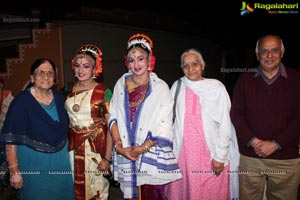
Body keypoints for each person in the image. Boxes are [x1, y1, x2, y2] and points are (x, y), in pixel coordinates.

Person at [108, 33, 182, 199]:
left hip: (151, 154)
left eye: (141, 58)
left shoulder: (160, 87)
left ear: (149, 60)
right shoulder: (120, 84)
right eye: (132, 59)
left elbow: (164, 123)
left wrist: (142, 148)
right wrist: (119, 146)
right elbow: (112, 115)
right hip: (125, 150)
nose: (136, 64)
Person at [230, 35, 300, 200]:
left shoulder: (297, 79)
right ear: (257, 55)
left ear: (282, 53)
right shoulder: (245, 79)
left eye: (274, 50)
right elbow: (236, 114)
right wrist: (254, 142)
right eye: (264, 51)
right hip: (250, 156)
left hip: (285, 157)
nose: (269, 56)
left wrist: (276, 144)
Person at [165, 48, 239, 200]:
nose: (190, 69)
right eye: (186, 65)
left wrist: (220, 156)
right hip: (183, 157)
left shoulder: (216, 88)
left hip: (210, 156)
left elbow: (225, 124)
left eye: (195, 64)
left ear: (202, 66)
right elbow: (168, 119)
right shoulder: (177, 86)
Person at [0, 58, 74, 200]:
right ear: (32, 77)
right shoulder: (21, 102)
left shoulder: (59, 99)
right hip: (33, 165)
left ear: (55, 78)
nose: (46, 77)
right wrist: (14, 170)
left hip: (60, 162)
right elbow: (11, 139)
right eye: (41, 72)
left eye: (50, 73)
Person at [63, 44, 113, 200]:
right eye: (77, 65)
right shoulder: (67, 89)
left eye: (86, 66)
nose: (80, 70)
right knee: (72, 188)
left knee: (96, 189)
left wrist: (106, 159)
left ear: (94, 68)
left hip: (96, 148)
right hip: (71, 148)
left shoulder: (104, 91)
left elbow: (111, 127)